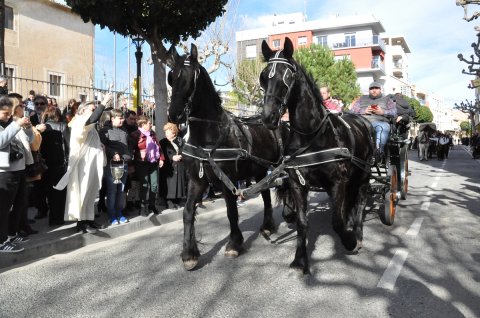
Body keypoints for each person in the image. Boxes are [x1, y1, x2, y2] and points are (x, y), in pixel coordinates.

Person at [54, 93, 112, 233]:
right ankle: (81, 222)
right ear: (82, 111)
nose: (95, 111)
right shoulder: (80, 120)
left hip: (92, 163)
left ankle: (89, 219)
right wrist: (103, 102)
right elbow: (92, 119)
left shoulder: (91, 126)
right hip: (82, 164)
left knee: (91, 192)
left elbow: (92, 139)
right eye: (92, 109)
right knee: (82, 192)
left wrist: (100, 147)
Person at [0, 96, 33, 252]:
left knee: (19, 203)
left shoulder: (11, 123)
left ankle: (11, 234)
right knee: (3, 207)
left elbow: (28, 140)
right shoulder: (9, 124)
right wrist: (15, 125)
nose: (7, 117)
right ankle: (2, 241)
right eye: (4, 113)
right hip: (5, 171)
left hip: (19, 169)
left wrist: (27, 128)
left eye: (9, 114)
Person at [99, 108, 132, 225]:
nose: (122, 120)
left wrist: (129, 157)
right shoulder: (104, 131)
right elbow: (102, 146)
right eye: (120, 118)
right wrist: (113, 153)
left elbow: (128, 146)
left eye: (123, 118)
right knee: (112, 191)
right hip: (111, 166)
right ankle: (111, 215)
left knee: (121, 191)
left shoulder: (124, 130)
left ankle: (119, 213)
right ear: (112, 118)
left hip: (124, 164)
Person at [349, 82, 397, 158]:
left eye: (376, 88)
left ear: (380, 89)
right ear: (369, 90)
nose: (374, 90)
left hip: (378, 123)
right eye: (371, 88)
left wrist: (382, 112)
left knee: (383, 127)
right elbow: (352, 111)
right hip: (361, 123)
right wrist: (363, 111)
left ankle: (378, 152)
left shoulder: (388, 99)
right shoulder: (362, 98)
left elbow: (394, 113)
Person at [129, 115, 164, 215]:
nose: (151, 125)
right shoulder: (135, 134)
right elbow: (130, 149)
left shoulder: (152, 133)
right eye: (149, 123)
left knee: (154, 185)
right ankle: (142, 206)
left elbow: (158, 146)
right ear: (143, 124)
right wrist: (138, 153)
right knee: (144, 185)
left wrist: (161, 158)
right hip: (141, 163)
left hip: (153, 162)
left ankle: (152, 205)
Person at [41, 106, 69, 226]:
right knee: (61, 191)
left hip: (46, 163)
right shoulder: (63, 126)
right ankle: (59, 217)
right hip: (61, 163)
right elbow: (69, 145)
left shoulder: (42, 128)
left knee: (50, 192)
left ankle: (52, 218)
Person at [159, 122, 187, 210]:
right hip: (168, 167)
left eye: (168, 131)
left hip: (179, 165)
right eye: (165, 132)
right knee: (169, 185)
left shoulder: (181, 141)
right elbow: (162, 154)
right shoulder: (163, 142)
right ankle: (169, 202)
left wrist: (182, 155)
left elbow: (185, 150)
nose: (166, 133)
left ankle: (176, 201)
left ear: (174, 132)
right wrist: (172, 157)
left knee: (178, 184)